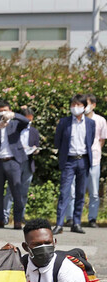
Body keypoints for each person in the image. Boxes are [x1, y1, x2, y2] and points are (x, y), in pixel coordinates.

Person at [52, 94, 95, 235]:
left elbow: (91, 140)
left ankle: (76, 223)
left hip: (83, 160)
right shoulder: (64, 122)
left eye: (78, 105)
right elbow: (57, 141)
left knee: (81, 193)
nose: (75, 108)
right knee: (64, 192)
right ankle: (59, 224)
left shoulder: (90, 123)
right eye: (73, 105)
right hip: (69, 160)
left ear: (84, 107)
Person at [61, 94, 106, 228]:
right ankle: (71, 218)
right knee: (72, 191)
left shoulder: (100, 120)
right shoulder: (73, 121)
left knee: (93, 191)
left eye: (85, 104)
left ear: (92, 105)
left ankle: (92, 218)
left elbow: (101, 140)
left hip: (94, 159)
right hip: (76, 158)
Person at [0, 100, 30, 229]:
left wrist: (14, 115)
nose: (2, 113)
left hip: (13, 161)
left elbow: (26, 122)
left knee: (16, 192)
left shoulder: (15, 124)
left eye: (5, 110)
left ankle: (17, 220)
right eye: (0, 111)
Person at [4, 107, 40, 224]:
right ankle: (5, 216)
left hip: (28, 162)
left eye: (31, 120)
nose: (29, 122)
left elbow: (36, 145)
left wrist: (35, 150)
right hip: (15, 161)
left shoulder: (34, 131)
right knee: (10, 191)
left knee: (24, 191)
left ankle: (21, 215)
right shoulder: (14, 129)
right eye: (27, 120)